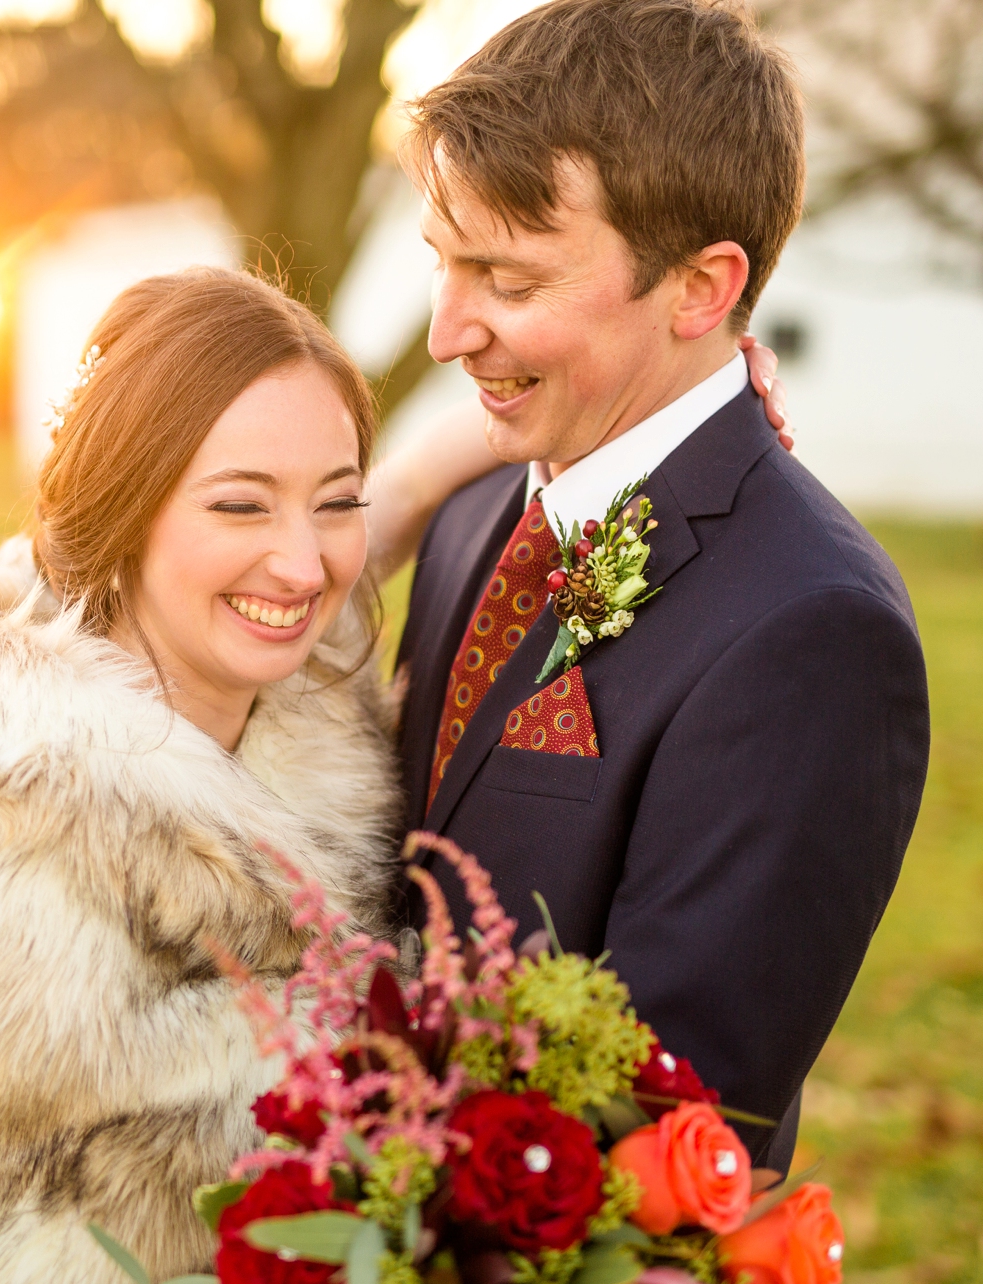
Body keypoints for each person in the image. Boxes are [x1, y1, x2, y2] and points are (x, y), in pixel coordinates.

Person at [0, 267, 794, 1284]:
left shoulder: (291, 683)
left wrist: (679, 394)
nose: (303, 564)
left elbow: (375, 506)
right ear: (125, 505)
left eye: (333, 502)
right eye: (238, 503)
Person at [390, 0, 931, 1177]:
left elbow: (660, 1111)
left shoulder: (810, 630)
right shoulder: (474, 512)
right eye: (442, 262)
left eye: (506, 278)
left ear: (698, 289)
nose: (444, 332)